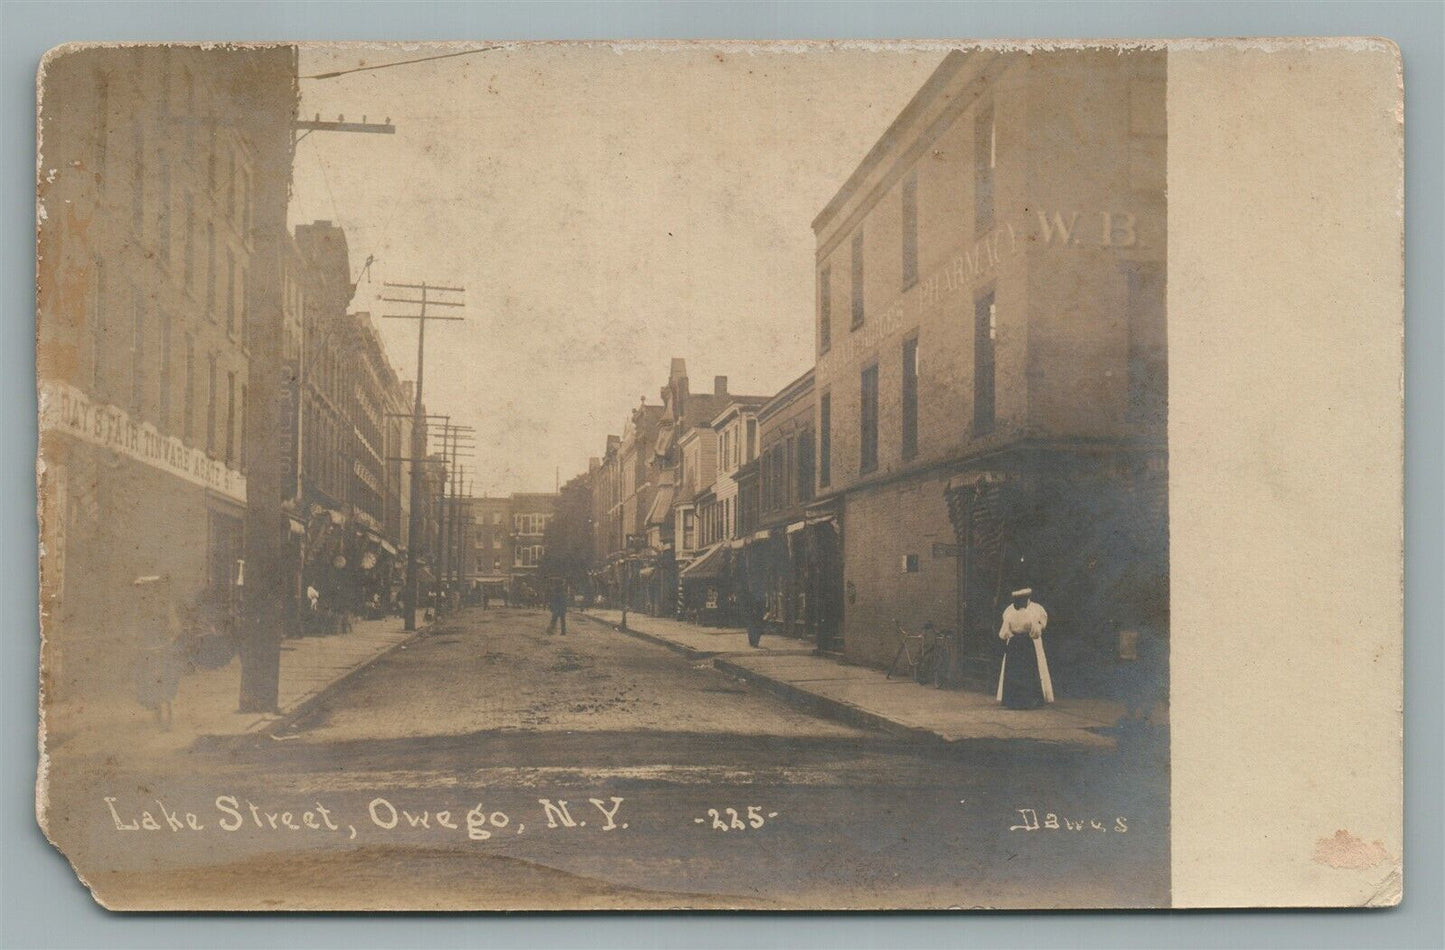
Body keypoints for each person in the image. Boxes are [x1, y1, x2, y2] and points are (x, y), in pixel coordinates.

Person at [996, 587, 1055, 709]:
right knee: (1028, 671)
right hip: (1028, 643)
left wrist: (1011, 635)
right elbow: (1037, 629)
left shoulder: (1014, 613)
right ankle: (1029, 699)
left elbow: (1003, 632)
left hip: (1015, 644)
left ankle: (1013, 699)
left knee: (1015, 671)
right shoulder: (1026, 614)